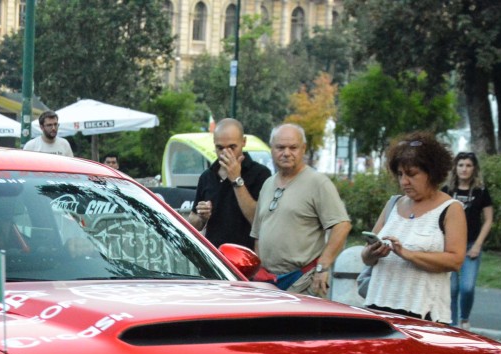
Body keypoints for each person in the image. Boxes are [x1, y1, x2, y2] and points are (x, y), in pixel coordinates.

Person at [360, 132, 466, 322]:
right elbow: (366, 258)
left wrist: (407, 254)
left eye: (411, 174)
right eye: (400, 174)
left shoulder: (451, 209)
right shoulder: (393, 204)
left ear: (432, 173)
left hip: (422, 314)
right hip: (378, 307)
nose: (404, 181)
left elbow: (455, 261)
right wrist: (372, 253)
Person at [250, 123, 351, 296]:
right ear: (272, 149)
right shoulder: (268, 184)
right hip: (268, 282)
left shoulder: (318, 182)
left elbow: (342, 225)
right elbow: (258, 234)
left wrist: (323, 266)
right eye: (280, 147)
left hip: (303, 281)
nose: (286, 153)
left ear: (303, 149)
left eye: (293, 147)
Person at [190, 118, 271, 250]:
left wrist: (236, 179)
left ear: (243, 142)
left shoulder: (260, 174)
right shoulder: (207, 176)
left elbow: (259, 221)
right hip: (216, 257)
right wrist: (201, 217)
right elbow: (193, 222)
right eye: (220, 148)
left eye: (232, 147)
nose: (226, 153)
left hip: (247, 258)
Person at [445, 152, 494, 329]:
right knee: (451, 288)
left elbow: (488, 220)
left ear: (474, 169)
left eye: (468, 165)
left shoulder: (481, 191)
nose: (464, 169)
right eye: (460, 165)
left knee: (467, 287)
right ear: (455, 168)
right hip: (448, 246)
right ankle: (451, 324)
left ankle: (464, 319)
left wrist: (478, 245)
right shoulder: (447, 191)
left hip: (471, 244)